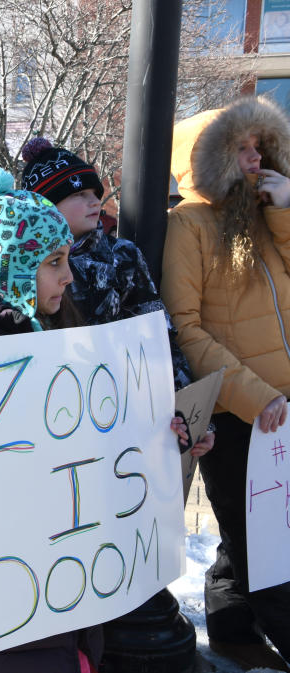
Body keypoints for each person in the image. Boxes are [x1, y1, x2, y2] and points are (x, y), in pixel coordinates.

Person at [0, 165, 191, 673]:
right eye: (54, 263)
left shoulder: (69, 338)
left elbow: (99, 447)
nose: (69, 276)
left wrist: (166, 441)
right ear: (13, 267)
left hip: (66, 591)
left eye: (67, 260)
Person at [163, 95, 290, 671]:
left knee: (250, 534)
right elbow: (185, 328)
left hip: (281, 406)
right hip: (243, 411)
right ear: (208, 157)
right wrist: (255, 396)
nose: (254, 156)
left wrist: (285, 210)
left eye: (259, 145)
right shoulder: (187, 224)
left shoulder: (262, 211)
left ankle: (234, 631)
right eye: (240, 147)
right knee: (262, 540)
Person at [20, 137, 213, 456]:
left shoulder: (121, 256)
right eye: (79, 194)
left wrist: (191, 412)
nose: (95, 201)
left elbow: (158, 336)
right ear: (44, 207)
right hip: (48, 417)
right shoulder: (22, 266)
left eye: (95, 192)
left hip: (120, 411)